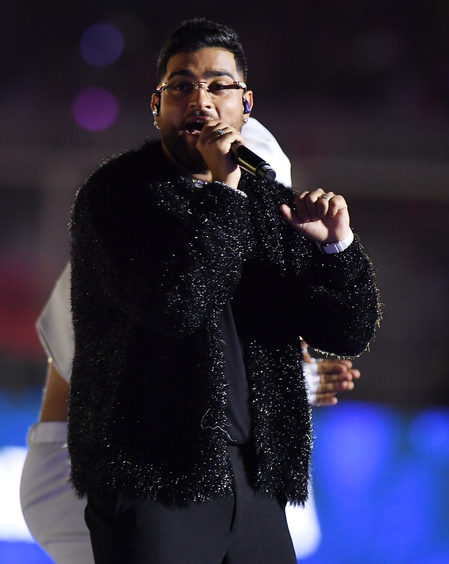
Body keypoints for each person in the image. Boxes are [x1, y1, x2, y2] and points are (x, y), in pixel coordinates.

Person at [42, 18, 380, 564]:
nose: (200, 99)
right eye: (181, 86)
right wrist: (224, 189)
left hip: (256, 482)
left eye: (219, 85)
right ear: (157, 105)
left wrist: (336, 248)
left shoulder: (267, 199)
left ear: (245, 105)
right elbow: (176, 304)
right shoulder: (117, 195)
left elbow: (347, 331)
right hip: (154, 481)